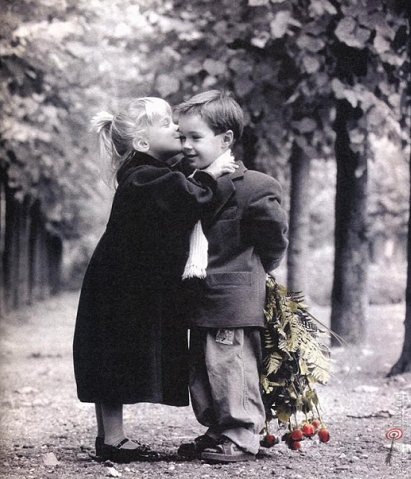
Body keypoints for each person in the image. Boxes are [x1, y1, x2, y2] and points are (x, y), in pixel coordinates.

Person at [72, 97, 237, 463]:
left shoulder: (146, 173)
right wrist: (214, 172)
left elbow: (178, 191)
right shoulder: (145, 177)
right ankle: (112, 440)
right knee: (112, 357)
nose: (177, 128)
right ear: (143, 142)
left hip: (118, 282)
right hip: (119, 287)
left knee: (111, 356)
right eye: (166, 123)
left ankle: (110, 438)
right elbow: (191, 198)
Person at [175, 90, 289, 463]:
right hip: (198, 296)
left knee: (230, 364)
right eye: (182, 136)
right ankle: (217, 429)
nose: (186, 145)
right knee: (204, 368)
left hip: (232, 297)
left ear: (225, 139)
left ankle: (240, 433)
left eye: (195, 137)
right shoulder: (187, 184)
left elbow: (273, 240)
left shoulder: (254, 187)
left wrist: (254, 272)